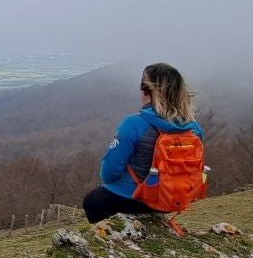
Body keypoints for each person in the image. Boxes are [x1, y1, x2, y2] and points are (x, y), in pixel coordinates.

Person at [83, 63, 205, 223]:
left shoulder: (134, 123)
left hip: (135, 198)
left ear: (146, 91)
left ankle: (109, 234)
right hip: (173, 197)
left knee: (92, 201)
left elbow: (109, 171)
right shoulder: (194, 128)